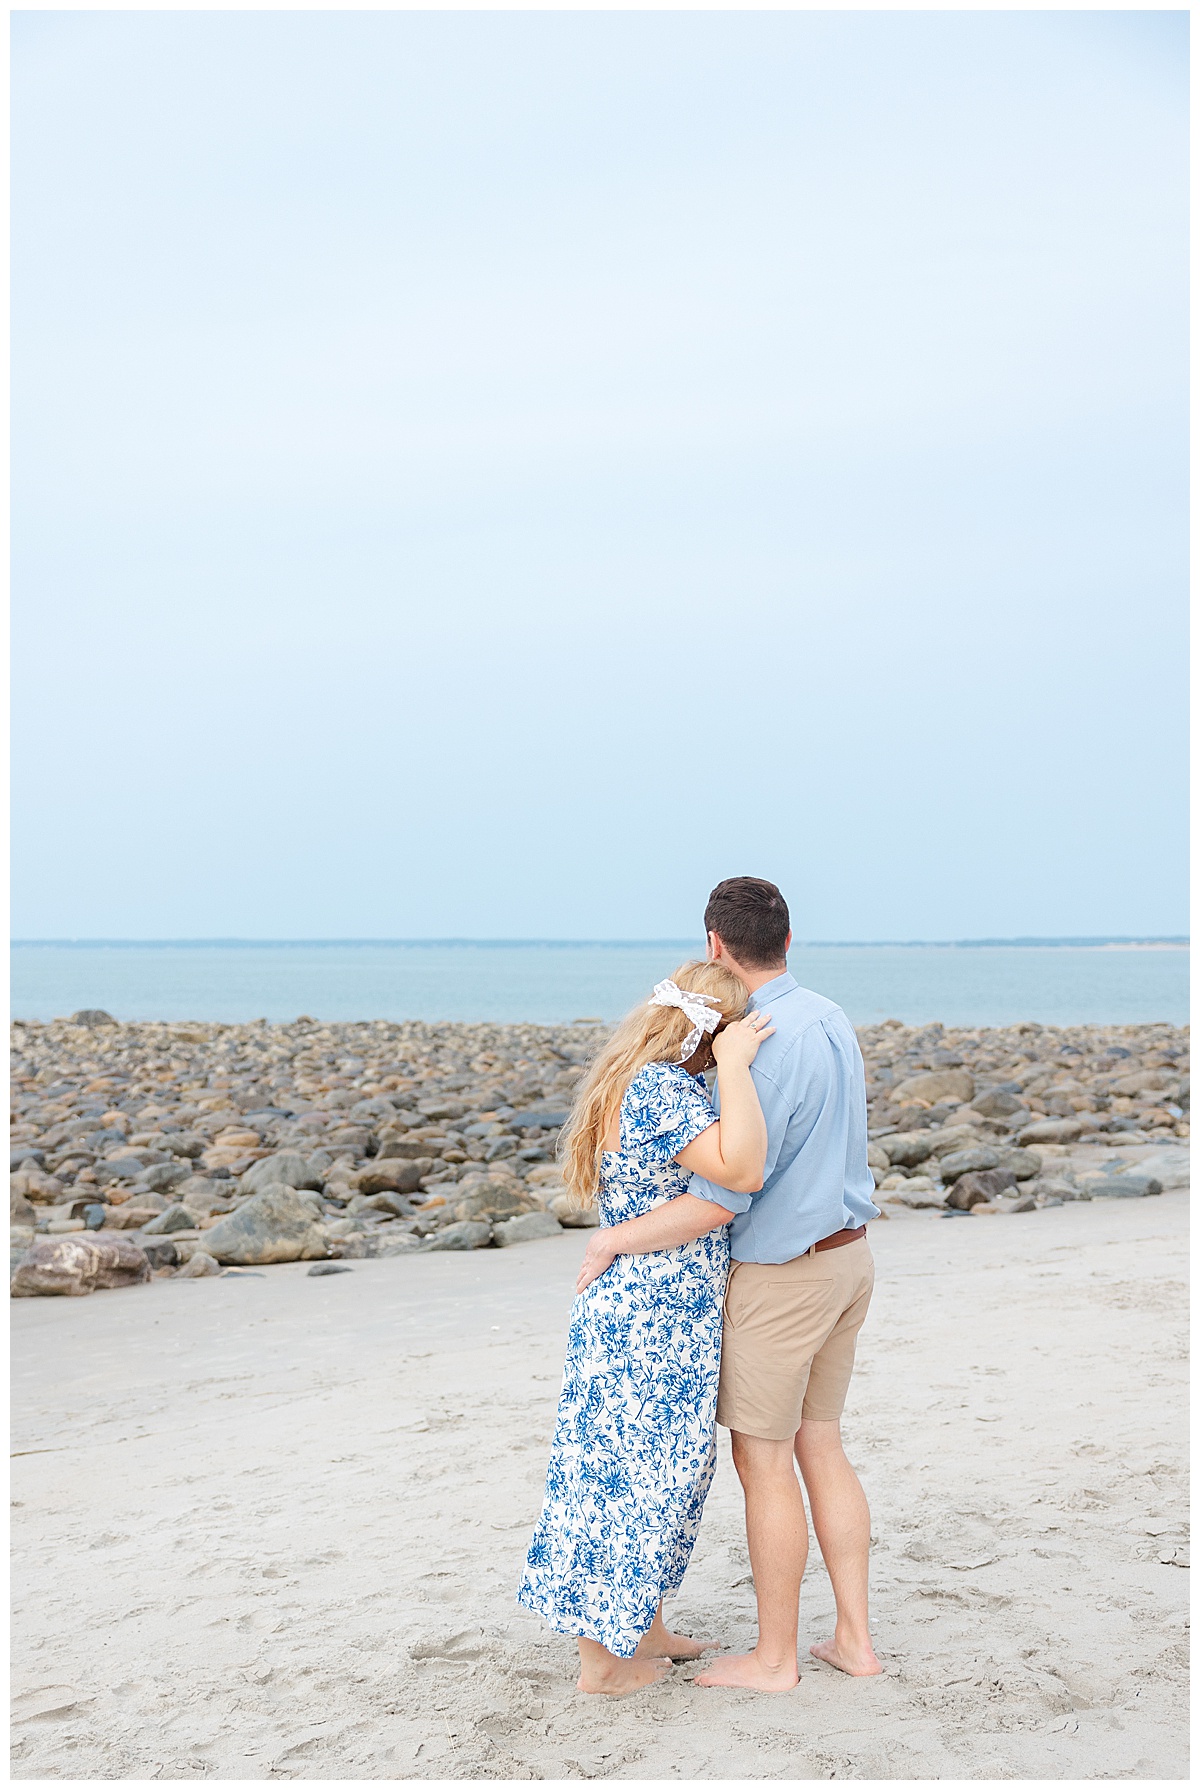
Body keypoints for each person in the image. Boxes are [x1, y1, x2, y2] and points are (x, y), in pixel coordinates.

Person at [516, 959, 773, 1695]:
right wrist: (736, 1068)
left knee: (663, 1474)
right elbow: (741, 1171)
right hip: (651, 1314)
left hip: (653, 1305)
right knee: (634, 1481)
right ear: (710, 1030)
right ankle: (601, 1664)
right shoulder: (662, 1087)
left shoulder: (645, 1078)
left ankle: (645, 1624)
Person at [687, 876, 883, 1693]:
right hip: (848, 1258)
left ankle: (775, 1661)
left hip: (784, 1275)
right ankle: (855, 1641)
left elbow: (734, 1183)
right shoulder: (829, 1016)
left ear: (715, 947)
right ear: (789, 941)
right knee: (823, 1443)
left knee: (763, 1462)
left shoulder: (760, 1039)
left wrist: (621, 1236)